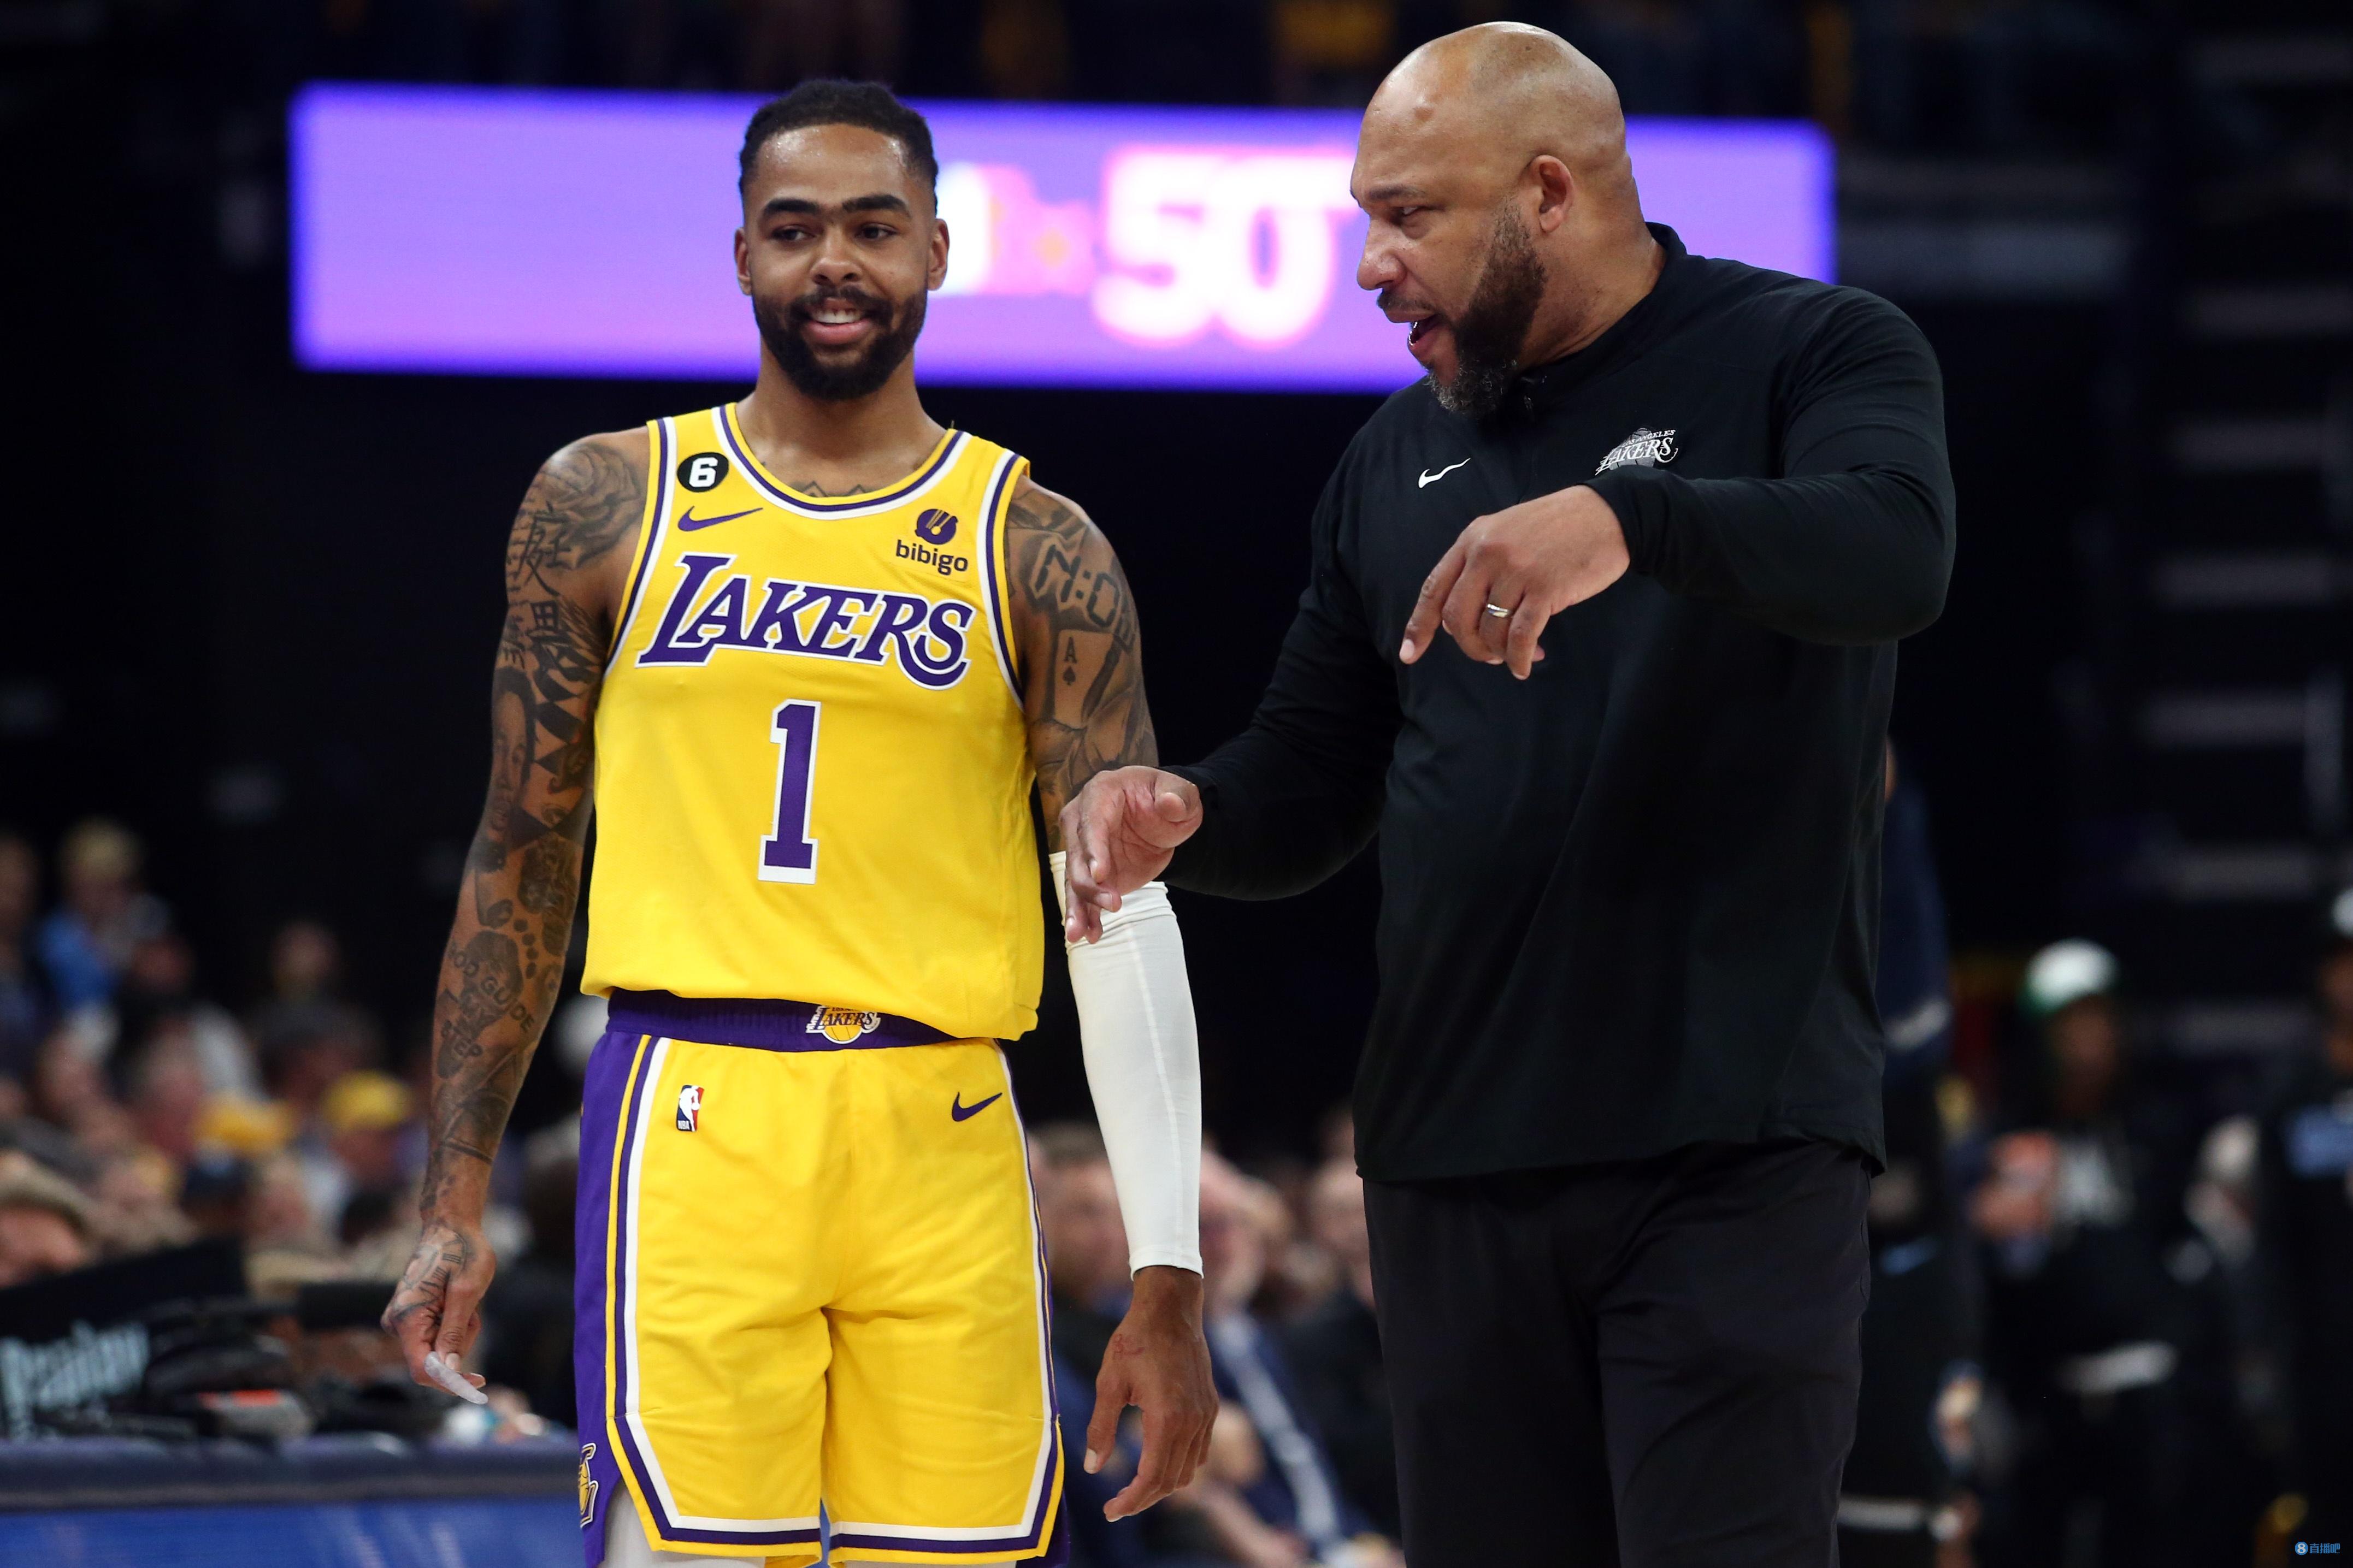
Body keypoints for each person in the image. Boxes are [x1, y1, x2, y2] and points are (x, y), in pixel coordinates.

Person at [1063, 21, 1953, 1568]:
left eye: (1407, 215)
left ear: (1549, 192)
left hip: (1729, 1146)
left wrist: (1628, 518)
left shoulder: (1816, 348)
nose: (1369, 266)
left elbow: (1895, 549)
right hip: (1450, 1167)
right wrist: (1189, 810)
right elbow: (1312, 778)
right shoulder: (1389, 458)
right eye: (1365, 220)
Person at [379, 81, 1215, 1568]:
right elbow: (520, 855)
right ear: (742, 256)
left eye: (874, 228)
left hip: (947, 1118)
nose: (836, 260)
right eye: (796, 228)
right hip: (695, 1106)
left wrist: (1168, 1271)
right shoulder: (604, 500)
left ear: (938, 250)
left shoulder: (1039, 545)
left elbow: (1119, 908)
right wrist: (452, 1198)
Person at [2256, 909, 2353, 1546]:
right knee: (2324, 1538)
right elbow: (2273, 1241)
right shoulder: (2291, 1091)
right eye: (2341, 963)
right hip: (2322, 1365)